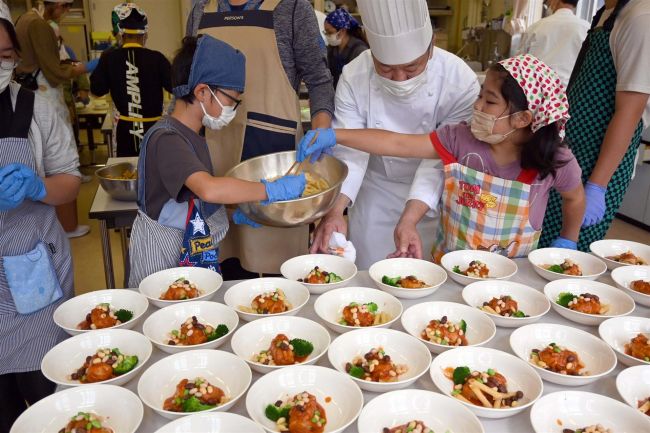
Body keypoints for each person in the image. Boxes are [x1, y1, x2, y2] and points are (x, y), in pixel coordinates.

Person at [300, 55, 586, 258]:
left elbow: (574, 197)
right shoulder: (462, 139)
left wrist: (567, 240)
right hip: (451, 268)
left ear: (522, 118)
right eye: (479, 96)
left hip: (512, 278)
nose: (477, 105)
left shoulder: (556, 160)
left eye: (488, 100)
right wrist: (336, 136)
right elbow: (398, 143)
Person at [310, 0, 480, 269]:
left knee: (428, 282)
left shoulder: (459, 81)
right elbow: (352, 151)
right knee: (370, 276)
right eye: (386, 69)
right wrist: (334, 211)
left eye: (412, 68)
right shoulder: (355, 74)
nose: (399, 79)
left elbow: (439, 158)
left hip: (435, 199)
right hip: (373, 192)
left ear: (432, 45)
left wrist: (410, 217)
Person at [128, 35, 306, 286]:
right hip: (163, 257)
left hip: (186, 250)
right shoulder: (167, 139)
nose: (233, 108)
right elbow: (208, 189)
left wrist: (233, 215)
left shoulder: (193, 134)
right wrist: (271, 190)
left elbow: (193, 201)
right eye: (231, 100)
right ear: (202, 91)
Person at [185, 0, 335, 277]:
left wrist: (321, 128)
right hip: (212, 146)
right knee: (220, 261)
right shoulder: (201, 9)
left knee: (276, 271)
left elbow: (319, 78)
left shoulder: (291, 8)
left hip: (272, 155)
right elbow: (188, 81)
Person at [0, 16, 80, 430]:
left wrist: (37, 186)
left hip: (36, 276)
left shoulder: (38, 108)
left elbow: (69, 184)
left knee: (54, 403)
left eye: (4, 55)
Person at [540, 0, 650, 251]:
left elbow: (629, 112)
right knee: (542, 243)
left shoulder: (641, 16)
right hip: (569, 152)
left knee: (570, 257)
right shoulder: (606, 13)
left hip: (596, 165)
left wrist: (597, 186)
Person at [14, 0, 96, 239]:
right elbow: (54, 72)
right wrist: (84, 68)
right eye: (65, 7)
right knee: (61, 165)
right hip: (44, 93)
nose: (66, 12)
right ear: (54, 5)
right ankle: (68, 226)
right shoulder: (38, 25)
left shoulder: (25, 19)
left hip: (39, 93)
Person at [90, 3, 172, 157]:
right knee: (154, 171)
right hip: (154, 129)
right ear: (145, 34)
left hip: (125, 131)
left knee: (127, 173)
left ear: (120, 34)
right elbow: (176, 87)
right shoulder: (158, 59)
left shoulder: (110, 58)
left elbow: (97, 89)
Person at [517, 0, 589, 87]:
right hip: (568, 93)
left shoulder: (536, 27)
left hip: (534, 90)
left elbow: (518, 63)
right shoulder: (587, 29)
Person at [324, 8, 368, 88]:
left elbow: (363, 82)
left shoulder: (360, 50)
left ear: (343, 31)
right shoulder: (332, 49)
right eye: (326, 32)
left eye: (330, 32)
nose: (327, 35)